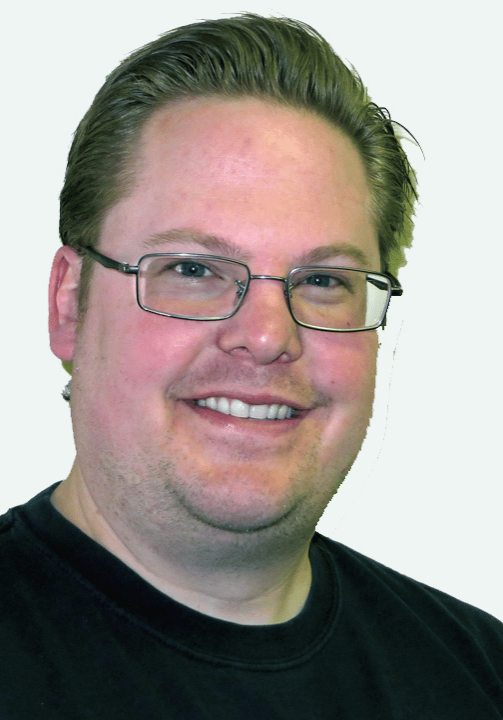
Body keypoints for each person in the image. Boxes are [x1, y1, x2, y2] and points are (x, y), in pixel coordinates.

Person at [1, 13, 502, 718]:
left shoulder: (479, 680)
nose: (267, 336)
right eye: (192, 268)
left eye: (324, 281)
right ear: (68, 305)